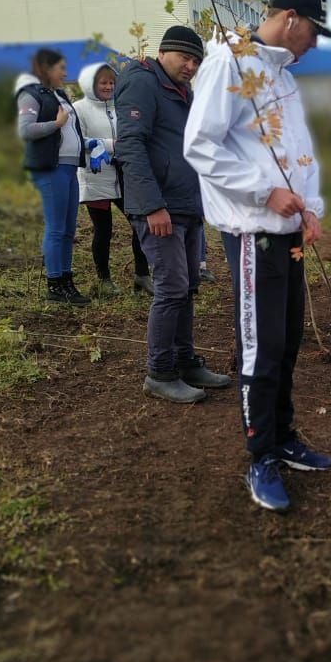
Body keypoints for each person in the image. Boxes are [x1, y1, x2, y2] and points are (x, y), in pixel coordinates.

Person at [183, 0, 331, 513]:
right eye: (314, 30)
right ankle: (259, 454)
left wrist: (310, 207)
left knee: (288, 339)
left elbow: (299, 151)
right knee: (261, 346)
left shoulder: (281, 78)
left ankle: (285, 436)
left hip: (288, 232)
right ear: (291, 18)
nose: (315, 43)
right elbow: (200, 144)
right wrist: (262, 190)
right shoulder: (229, 64)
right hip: (254, 231)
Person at [113, 26, 231, 404]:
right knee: (171, 288)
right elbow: (130, 145)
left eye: (197, 61)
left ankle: (185, 361)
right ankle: (160, 372)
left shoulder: (182, 91)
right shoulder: (143, 84)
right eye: (185, 58)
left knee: (188, 287)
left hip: (186, 204)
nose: (191, 66)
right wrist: (152, 206)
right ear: (165, 52)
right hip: (160, 207)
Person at [15, 49, 89, 305]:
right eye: (61, 68)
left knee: (69, 229)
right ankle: (54, 283)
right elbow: (26, 130)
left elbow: (72, 133)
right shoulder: (31, 95)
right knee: (56, 228)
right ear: (46, 69)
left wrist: (96, 145)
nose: (65, 73)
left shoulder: (59, 95)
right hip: (51, 168)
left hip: (69, 169)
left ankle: (66, 280)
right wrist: (55, 125)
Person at [73, 61, 152, 295]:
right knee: (103, 230)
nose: (108, 87)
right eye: (103, 82)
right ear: (91, 84)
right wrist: (110, 145)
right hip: (96, 176)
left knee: (140, 224)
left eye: (111, 82)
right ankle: (104, 280)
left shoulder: (121, 106)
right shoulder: (79, 108)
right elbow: (79, 140)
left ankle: (142, 275)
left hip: (124, 175)